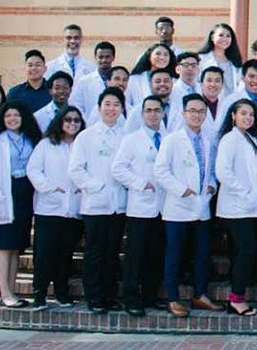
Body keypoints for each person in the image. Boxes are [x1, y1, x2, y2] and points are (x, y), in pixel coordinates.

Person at [155, 93, 223, 317]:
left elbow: (211, 171)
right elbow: (161, 172)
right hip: (177, 207)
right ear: (183, 114)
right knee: (174, 254)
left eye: (201, 111)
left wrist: (212, 186)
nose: (197, 115)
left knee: (202, 253)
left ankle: (200, 294)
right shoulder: (172, 140)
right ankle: (173, 298)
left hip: (201, 206)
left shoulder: (208, 140)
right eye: (192, 111)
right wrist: (181, 189)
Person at [67, 88, 129, 313]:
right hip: (95, 205)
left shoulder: (126, 135)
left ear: (122, 109)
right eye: (107, 104)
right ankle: (93, 297)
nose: (112, 109)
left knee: (112, 253)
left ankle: (109, 296)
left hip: (118, 205)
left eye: (116, 105)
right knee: (94, 253)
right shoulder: (86, 136)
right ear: (99, 107)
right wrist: (97, 187)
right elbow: (75, 170)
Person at [0, 100, 42, 309]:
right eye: (8, 116)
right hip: (5, 194)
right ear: (2, 119)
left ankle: (11, 290)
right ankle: (4, 293)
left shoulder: (30, 139)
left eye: (16, 116)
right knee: (4, 246)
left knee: (15, 248)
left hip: (25, 193)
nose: (12, 120)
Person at [111, 96, 169, 316]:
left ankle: (150, 297)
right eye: (149, 110)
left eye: (157, 110)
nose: (153, 114)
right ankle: (131, 298)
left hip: (163, 207)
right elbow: (118, 169)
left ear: (163, 113)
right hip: (139, 207)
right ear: (142, 114)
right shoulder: (132, 139)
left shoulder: (168, 138)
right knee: (135, 255)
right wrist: (140, 183)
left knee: (155, 254)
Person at [26, 106, 85, 311]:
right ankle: (40, 294)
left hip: (74, 209)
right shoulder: (46, 144)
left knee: (65, 254)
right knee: (44, 254)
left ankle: (62, 293)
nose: (72, 123)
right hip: (49, 209)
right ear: (60, 121)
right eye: (68, 119)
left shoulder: (83, 144)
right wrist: (49, 188)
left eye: (76, 120)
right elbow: (33, 169)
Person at [214, 98, 257, 316]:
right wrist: (243, 192)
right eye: (243, 113)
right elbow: (223, 172)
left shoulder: (250, 139)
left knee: (242, 251)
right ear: (233, 116)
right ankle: (236, 298)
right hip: (236, 207)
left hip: (250, 206)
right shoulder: (229, 139)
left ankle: (237, 295)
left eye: (251, 114)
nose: (248, 117)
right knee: (247, 249)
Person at [220, 60, 257, 136]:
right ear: (243, 78)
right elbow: (220, 130)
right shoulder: (231, 101)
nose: (256, 81)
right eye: (251, 76)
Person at [67, 42, 117, 119]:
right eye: (100, 57)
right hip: (90, 126)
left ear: (113, 57)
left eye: (107, 57)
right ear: (95, 57)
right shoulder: (84, 81)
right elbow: (76, 105)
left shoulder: (120, 81)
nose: (104, 60)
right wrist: (86, 122)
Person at [123, 68, 175, 134]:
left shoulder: (181, 107)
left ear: (172, 83)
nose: (162, 84)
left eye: (166, 81)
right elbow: (128, 134)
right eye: (158, 81)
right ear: (150, 85)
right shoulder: (138, 110)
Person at [199, 23, 243, 95]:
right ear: (212, 37)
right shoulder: (201, 59)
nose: (224, 39)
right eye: (221, 35)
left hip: (231, 102)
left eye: (228, 36)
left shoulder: (235, 61)